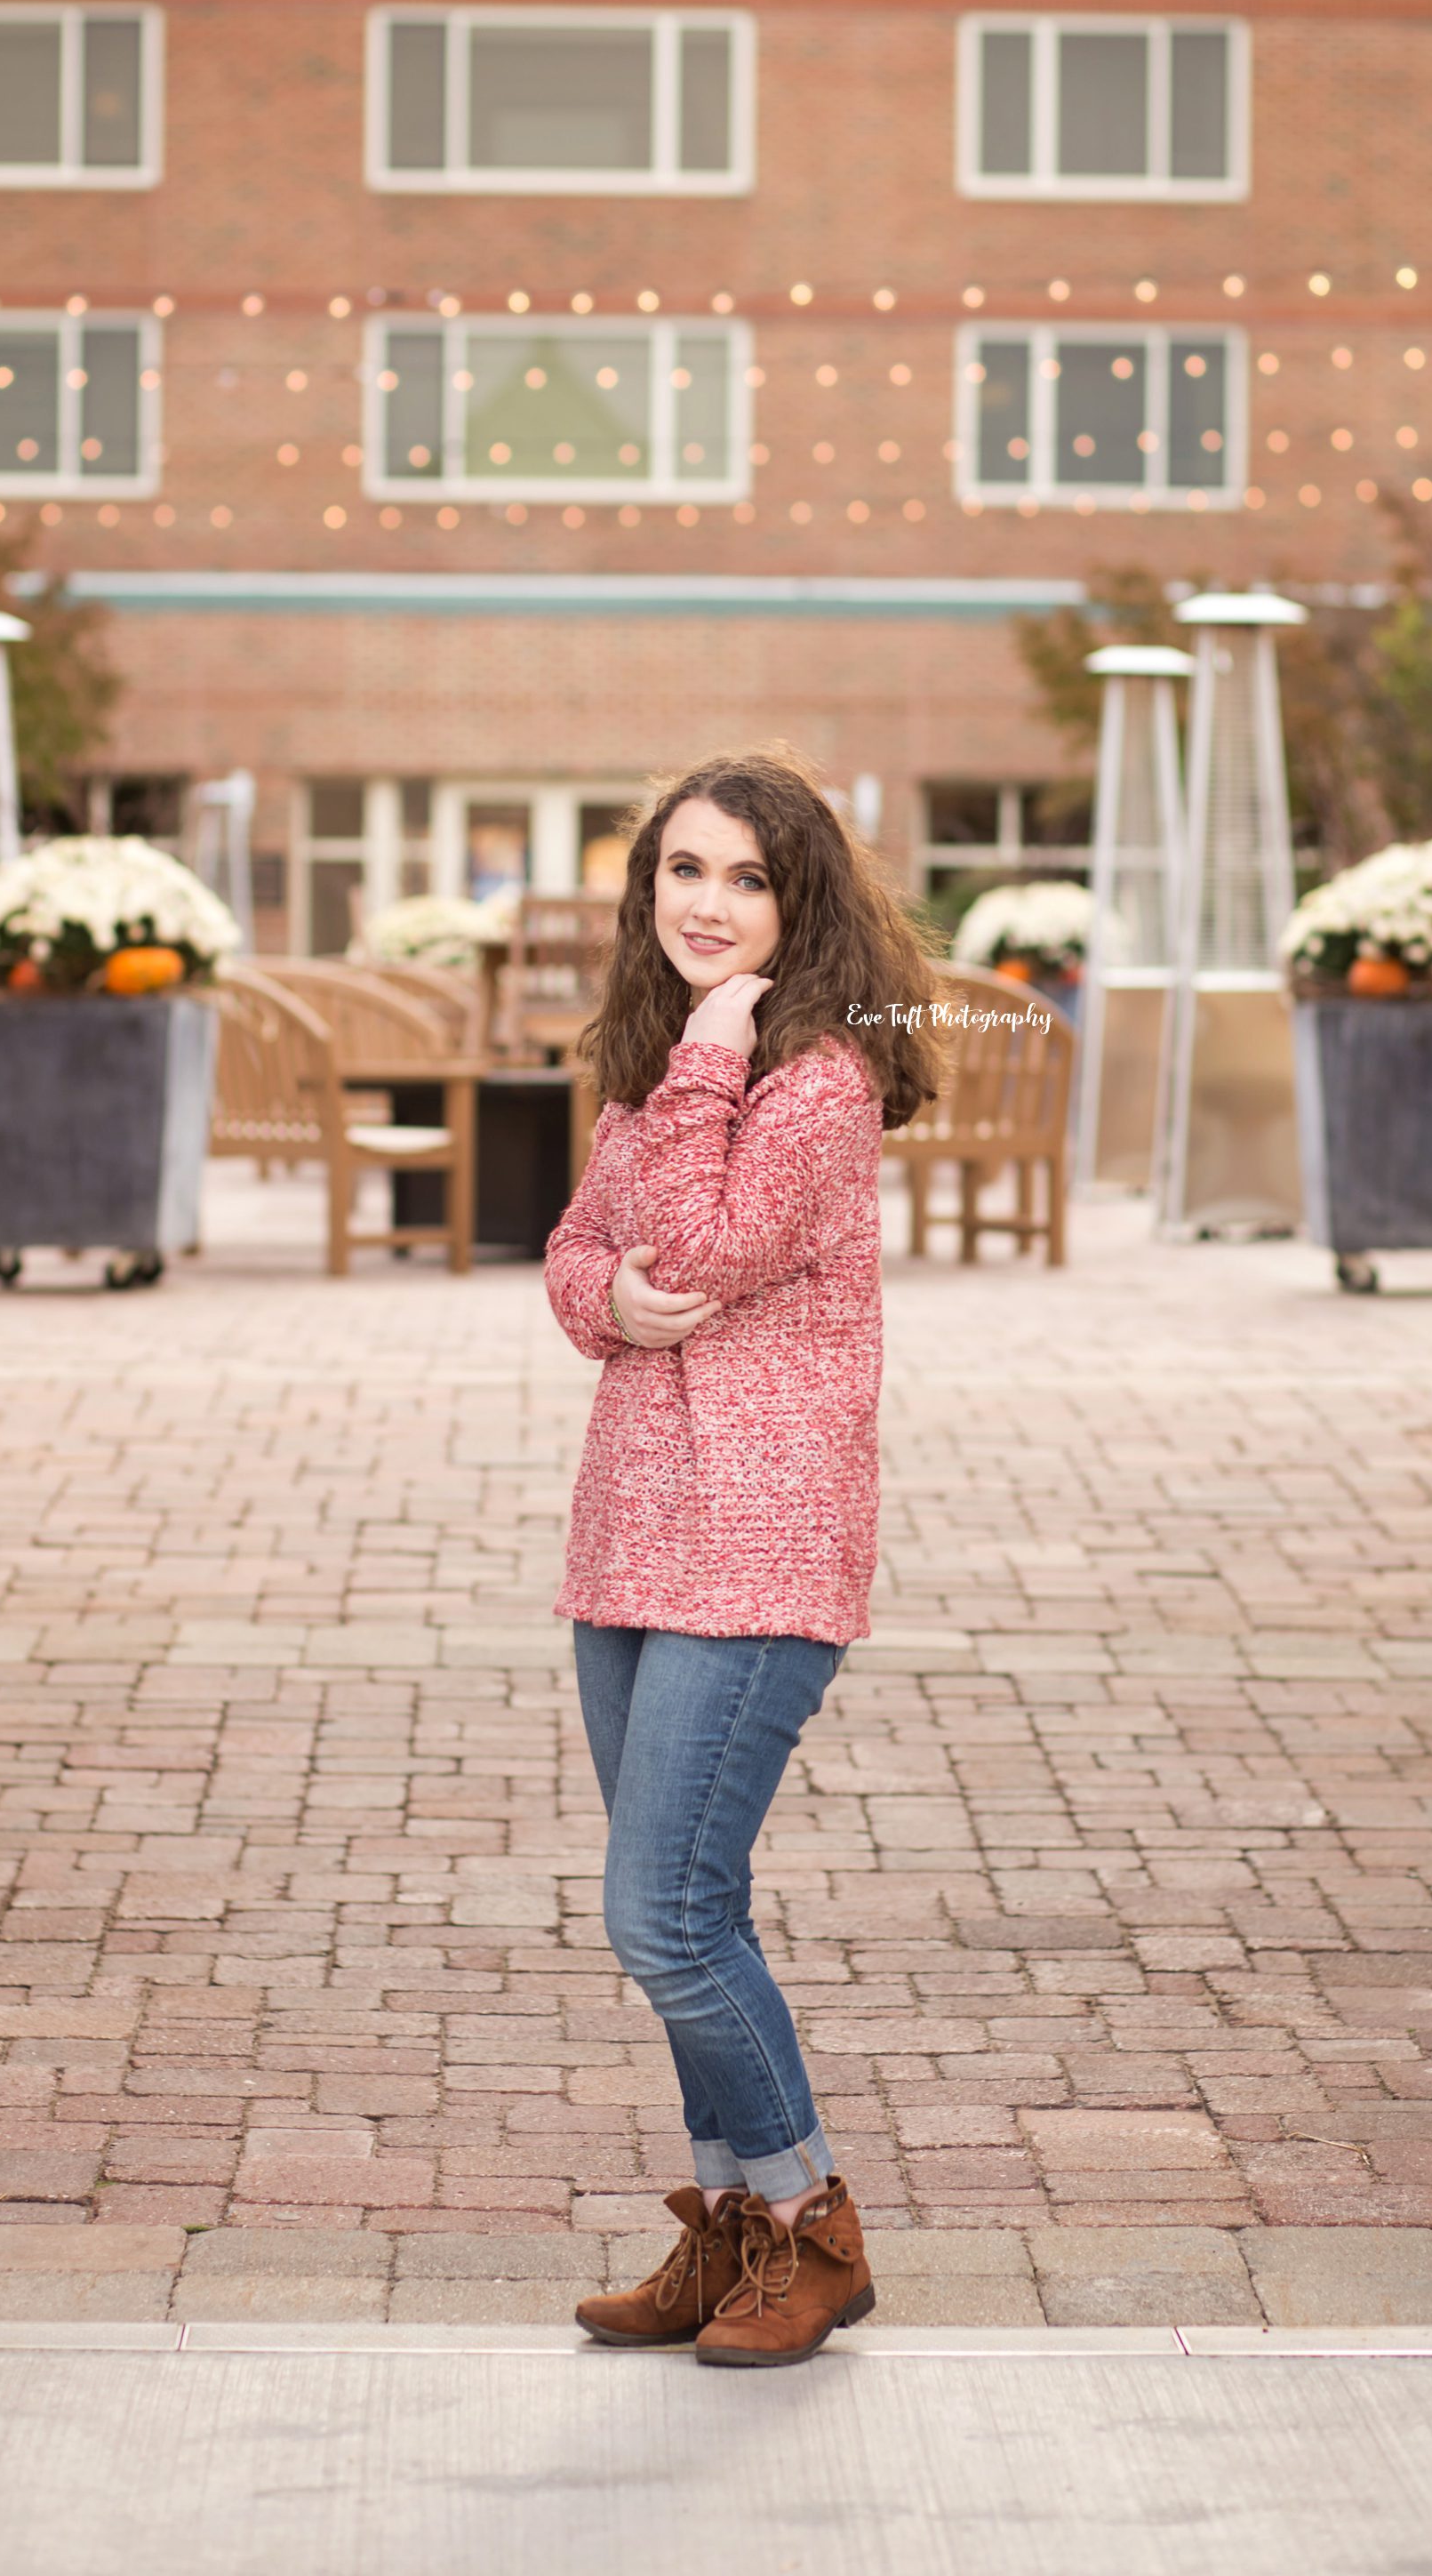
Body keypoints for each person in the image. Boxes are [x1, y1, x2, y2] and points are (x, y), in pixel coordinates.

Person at [544, 745, 941, 2367]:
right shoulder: (660, 1066)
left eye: (746, 877)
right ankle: (728, 2235)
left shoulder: (815, 1079)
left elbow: (708, 1243)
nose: (707, 903)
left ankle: (810, 2225)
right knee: (690, 1912)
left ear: (800, 903)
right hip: (631, 1538)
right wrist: (606, 1299)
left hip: (758, 1550)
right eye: (684, 870)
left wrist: (710, 1058)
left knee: (665, 1918)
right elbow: (579, 1249)